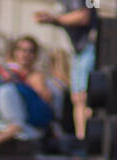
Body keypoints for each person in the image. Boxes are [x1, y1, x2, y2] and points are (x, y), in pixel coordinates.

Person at [35, 1, 94, 141]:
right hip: (80, 49)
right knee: (78, 98)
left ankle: (85, 139)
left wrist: (54, 19)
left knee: (84, 97)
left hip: (87, 47)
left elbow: (84, 16)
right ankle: (82, 138)